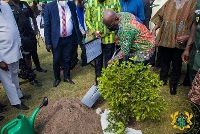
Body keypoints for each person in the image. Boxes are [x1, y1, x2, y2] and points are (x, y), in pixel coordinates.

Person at [151, 0, 197, 95]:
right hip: (165, 37)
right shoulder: (170, 2)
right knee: (164, 61)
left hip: (179, 39)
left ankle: (173, 85)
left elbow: (194, 24)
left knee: (177, 64)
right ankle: (162, 80)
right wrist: (155, 28)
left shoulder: (193, 3)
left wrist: (188, 37)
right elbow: (160, 16)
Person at [0, 0, 31, 110]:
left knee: (14, 74)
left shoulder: (4, 5)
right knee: (7, 79)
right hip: (2, 52)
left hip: (14, 47)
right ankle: (15, 101)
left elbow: (14, 25)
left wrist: (19, 44)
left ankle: (19, 95)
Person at [44, 0, 83, 87]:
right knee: (57, 59)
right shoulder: (49, 7)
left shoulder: (71, 5)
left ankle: (66, 76)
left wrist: (78, 36)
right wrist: (48, 42)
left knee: (67, 58)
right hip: (56, 39)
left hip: (69, 38)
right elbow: (47, 25)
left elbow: (75, 21)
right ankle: (57, 78)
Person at [85, 0, 121, 84]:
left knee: (109, 60)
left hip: (110, 37)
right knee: (98, 61)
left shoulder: (115, 1)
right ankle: (99, 82)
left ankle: (109, 82)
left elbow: (119, 18)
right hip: (96, 38)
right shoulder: (91, 2)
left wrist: (117, 33)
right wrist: (94, 31)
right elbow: (87, 19)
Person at [8, 0, 47, 73]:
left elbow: (33, 16)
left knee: (34, 52)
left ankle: (38, 67)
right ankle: (29, 72)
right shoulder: (8, 6)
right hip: (20, 35)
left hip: (30, 32)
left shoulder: (24, 4)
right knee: (26, 55)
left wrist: (35, 28)